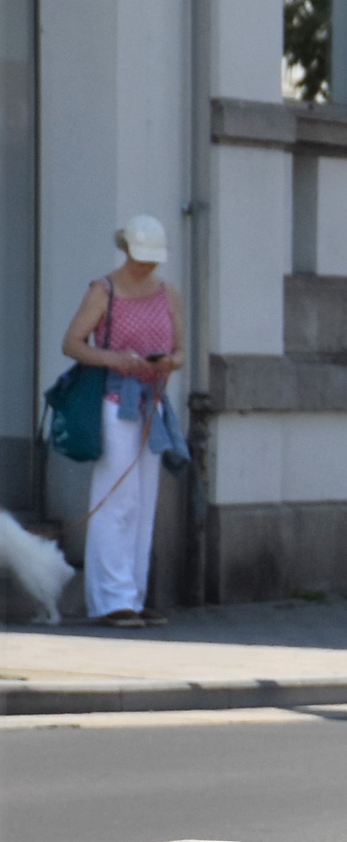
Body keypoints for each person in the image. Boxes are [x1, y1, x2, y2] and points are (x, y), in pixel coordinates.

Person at [58, 214, 188, 627]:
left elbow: (182, 349)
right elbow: (72, 343)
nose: (148, 265)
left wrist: (170, 361)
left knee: (145, 501)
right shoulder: (104, 291)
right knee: (117, 499)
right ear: (127, 250)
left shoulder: (169, 293)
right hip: (116, 401)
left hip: (153, 403)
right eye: (142, 256)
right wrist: (113, 357)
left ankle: (133, 592)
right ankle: (112, 599)